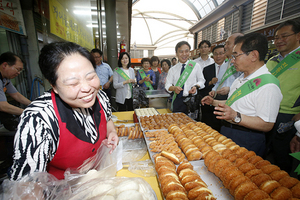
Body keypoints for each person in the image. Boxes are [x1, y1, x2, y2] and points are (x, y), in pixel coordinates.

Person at [9, 42, 118, 181]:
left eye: (91, 77)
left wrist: (111, 132)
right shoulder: (39, 118)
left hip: (99, 183)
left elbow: (107, 118)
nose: (87, 88)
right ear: (53, 84)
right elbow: (27, 186)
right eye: (73, 83)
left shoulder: (101, 97)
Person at [201, 33, 282, 157]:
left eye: (235, 56)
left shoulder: (268, 85)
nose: (232, 61)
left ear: (253, 55)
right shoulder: (240, 78)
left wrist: (236, 117)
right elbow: (234, 104)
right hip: (228, 132)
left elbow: (267, 124)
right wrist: (213, 102)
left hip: (247, 138)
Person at [266, 20, 300, 173]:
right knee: (266, 153)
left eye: (284, 36)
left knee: (284, 156)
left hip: (289, 117)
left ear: (298, 36)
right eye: (277, 38)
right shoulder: (271, 61)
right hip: (266, 113)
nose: (279, 41)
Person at [165, 41, 205, 114]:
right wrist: (174, 88)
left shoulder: (196, 66)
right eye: (181, 52)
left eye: (186, 51)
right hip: (178, 101)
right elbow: (167, 85)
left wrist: (196, 86)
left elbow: (202, 81)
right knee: (177, 123)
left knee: (192, 124)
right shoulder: (172, 69)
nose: (184, 54)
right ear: (176, 53)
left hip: (192, 101)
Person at [0, 52, 31, 131]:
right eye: (18, 69)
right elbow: (3, 106)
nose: (19, 73)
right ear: (5, 65)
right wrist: (29, 112)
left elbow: (16, 95)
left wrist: (33, 105)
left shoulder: (5, 79)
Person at [209, 33, 244, 100]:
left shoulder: (243, 65)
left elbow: (245, 84)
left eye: (228, 44)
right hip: (220, 99)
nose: (225, 47)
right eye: (225, 44)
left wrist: (230, 89)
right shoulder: (224, 66)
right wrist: (213, 90)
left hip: (235, 98)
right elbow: (219, 82)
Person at [199, 45, 226, 131]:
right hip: (208, 106)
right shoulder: (207, 69)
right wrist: (210, 82)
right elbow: (202, 85)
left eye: (221, 53)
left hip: (224, 105)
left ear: (225, 54)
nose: (218, 56)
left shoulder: (231, 69)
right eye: (216, 54)